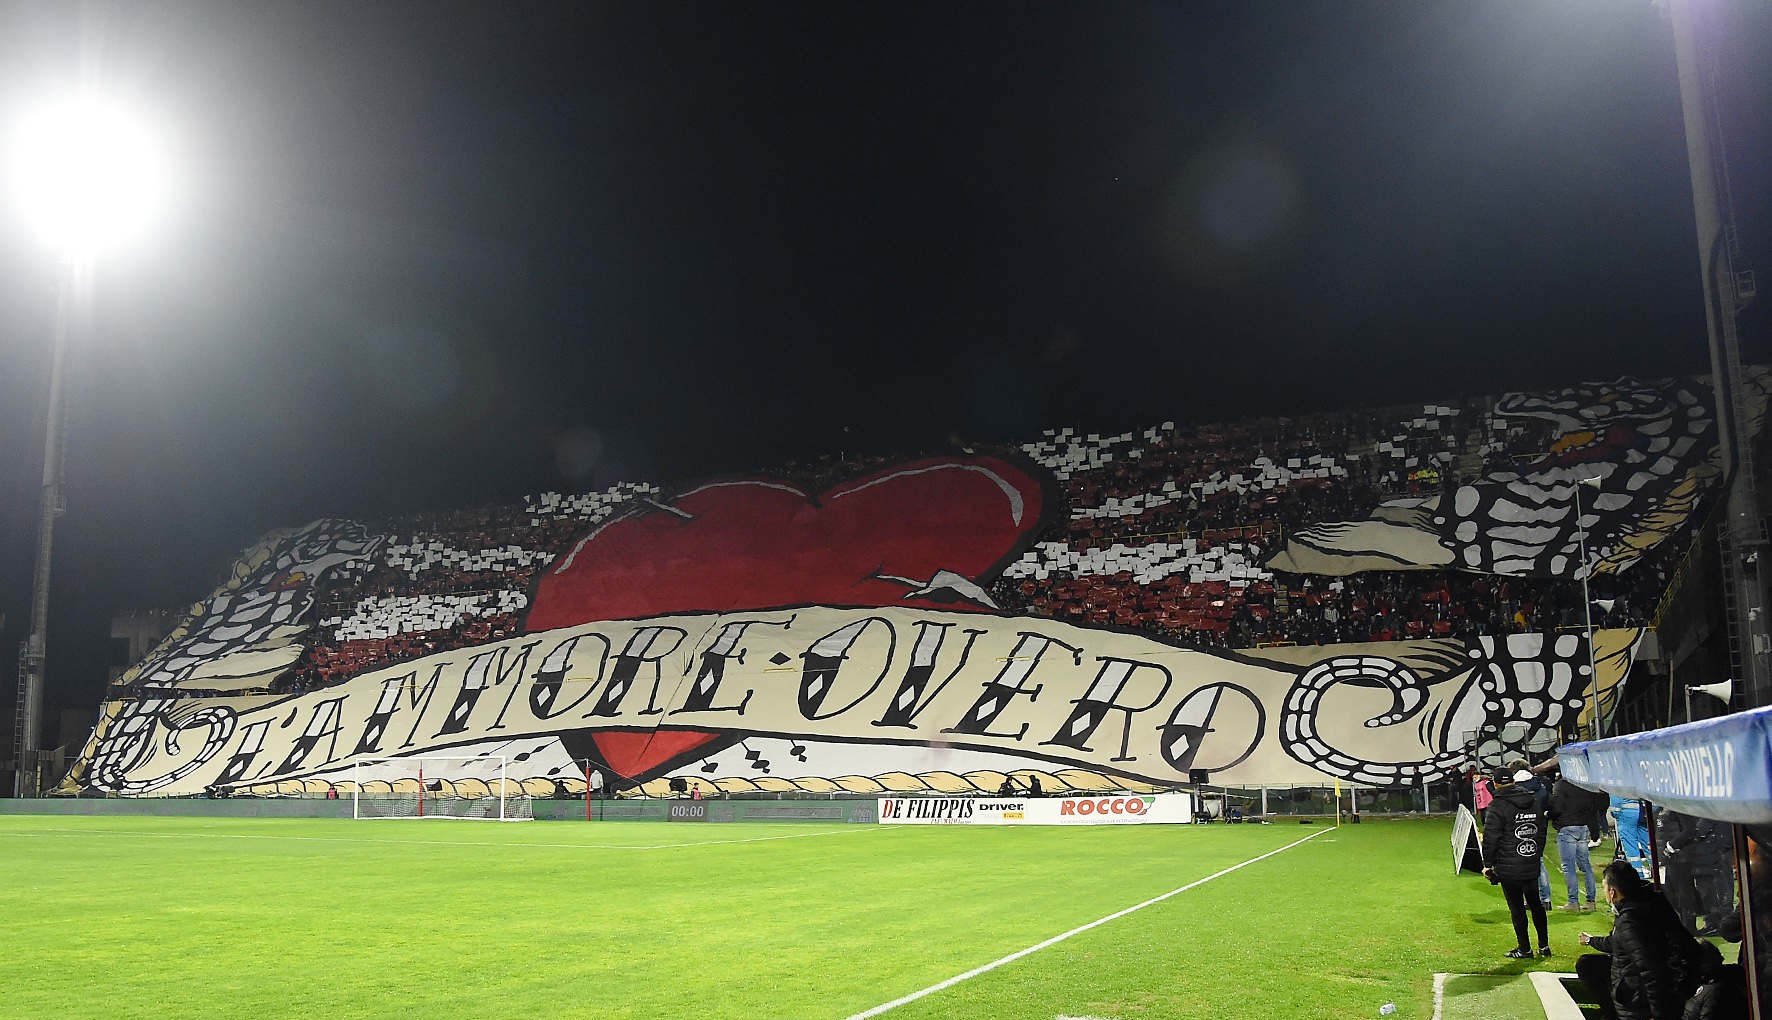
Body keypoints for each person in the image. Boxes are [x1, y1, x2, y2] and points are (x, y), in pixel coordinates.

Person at [1576, 860, 1715, 1020]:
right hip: (1671, 980)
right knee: (1587, 964)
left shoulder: (1629, 919)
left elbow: (1650, 970)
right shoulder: (1651, 901)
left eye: (1604, 888)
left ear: (1613, 892)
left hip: (1642, 997)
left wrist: (1659, 1014)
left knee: (1591, 966)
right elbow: (1620, 943)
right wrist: (1591, 941)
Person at [1483, 769, 1552, 959]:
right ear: (1513, 781)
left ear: (1495, 783)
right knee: (1536, 905)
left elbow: (1491, 838)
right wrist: (1536, 852)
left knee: (1517, 909)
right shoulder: (1533, 800)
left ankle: (1525, 949)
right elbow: (1541, 829)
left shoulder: (1497, 805)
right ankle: (1544, 946)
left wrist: (1488, 863)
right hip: (1530, 860)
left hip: (1508, 866)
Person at [1549, 773, 1600, 912]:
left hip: (1567, 827)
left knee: (1569, 867)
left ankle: (1573, 902)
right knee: (1586, 866)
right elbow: (1592, 809)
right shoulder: (1584, 784)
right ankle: (1591, 902)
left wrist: (1549, 815)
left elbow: (1557, 807)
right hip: (1583, 827)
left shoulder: (1561, 784)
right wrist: (1595, 831)